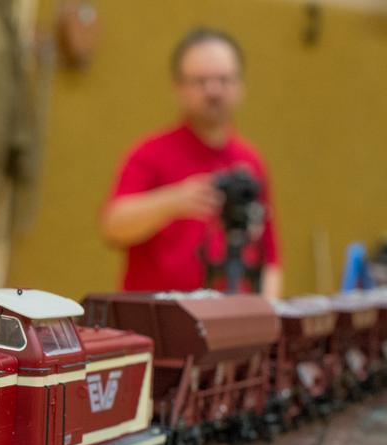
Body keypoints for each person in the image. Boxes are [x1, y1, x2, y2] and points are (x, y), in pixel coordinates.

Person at [100, 27, 283, 297]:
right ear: (178, 88)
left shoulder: (250, 161)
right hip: (158, 315)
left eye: (224, 80)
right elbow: (112, 226)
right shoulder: (150, 153)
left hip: (230, 316)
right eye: (200, 81)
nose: (213, 91)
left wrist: (266, 314)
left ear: (241, 86)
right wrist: (172, 201)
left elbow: (269, 258)